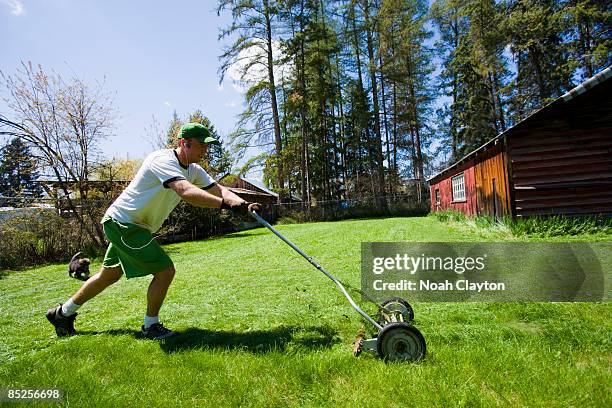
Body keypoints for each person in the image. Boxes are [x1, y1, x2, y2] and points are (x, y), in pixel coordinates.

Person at [46, 123, 261, 340]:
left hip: (131, 225)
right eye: (201, 145)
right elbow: (186, 192)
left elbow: (220, 190)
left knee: (108, 275)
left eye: (207, 146)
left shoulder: (194, 169)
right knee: (165, 271)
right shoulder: (162, 160)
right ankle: (151, 326)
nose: (205, 150)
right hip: (124, 223)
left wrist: (243, 204)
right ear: (184, 143)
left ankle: (62, 313)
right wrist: (226, 206)